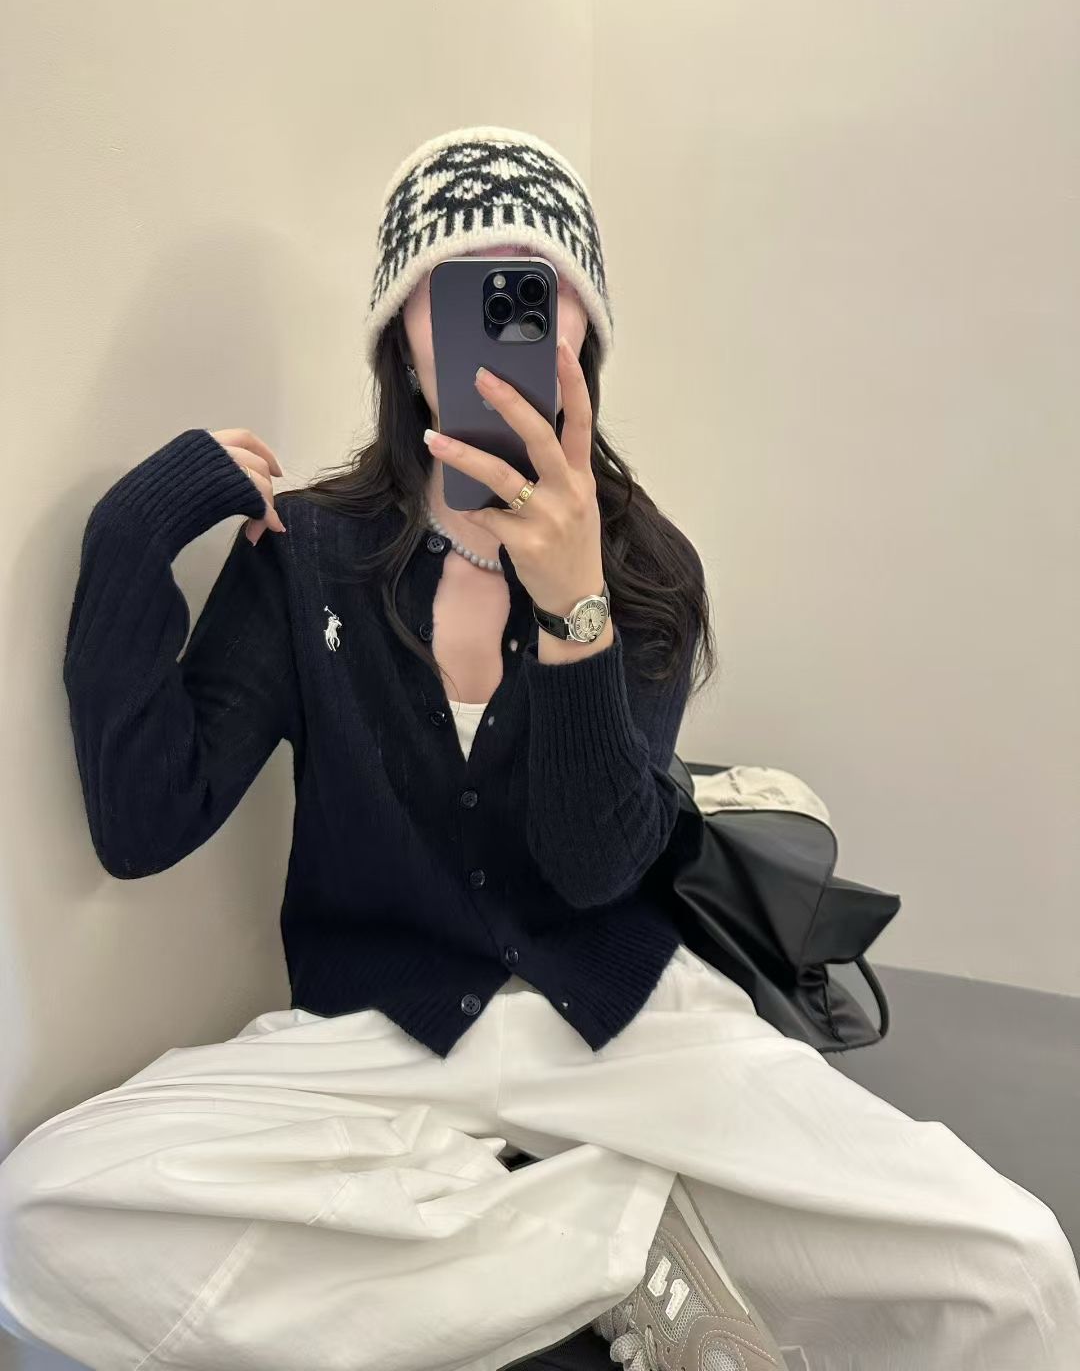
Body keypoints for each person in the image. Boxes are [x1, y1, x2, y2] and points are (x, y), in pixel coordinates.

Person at [1, 125, 1077, 1371]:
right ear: (403, 333)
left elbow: (590, 863)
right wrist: (133, 534)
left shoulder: (647, 569)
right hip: (376, 1034)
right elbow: (143, 826)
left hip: (624, 1024)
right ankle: (614, 1245)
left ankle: (496, 1248)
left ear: (584, 331)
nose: (502, 326)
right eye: (457, 294)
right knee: (39, 1212)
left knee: (1013, 1269)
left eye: (536, 293)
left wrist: (575, 609)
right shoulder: (306, 557)